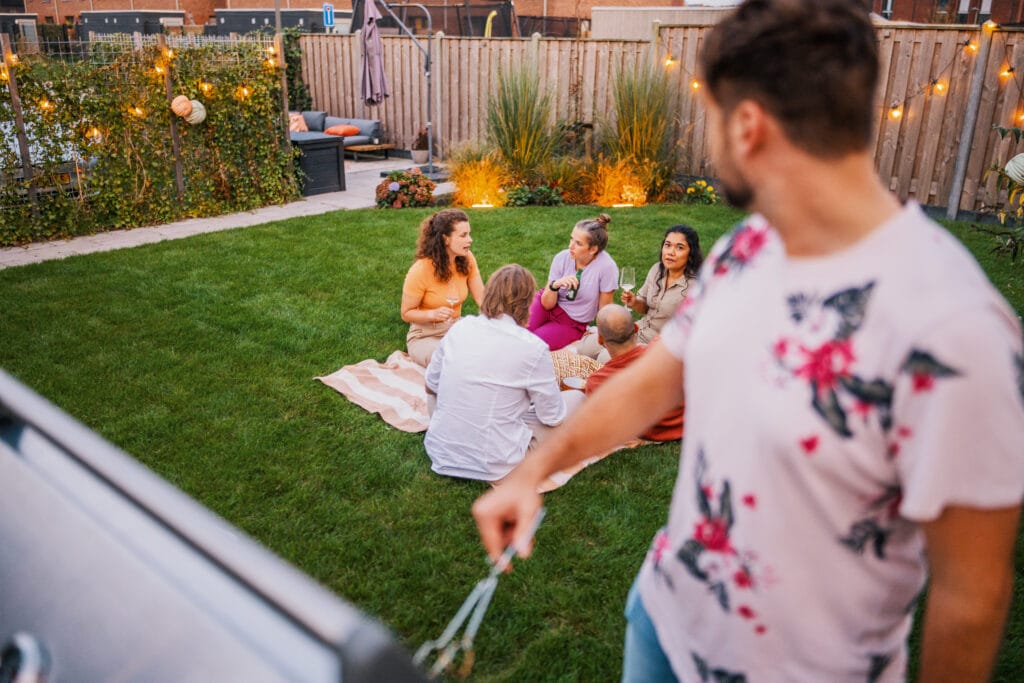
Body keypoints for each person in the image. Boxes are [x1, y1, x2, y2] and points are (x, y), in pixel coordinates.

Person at [471, 1, 1024, 681]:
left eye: (710, 114)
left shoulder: (955, 329)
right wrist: (532, 471)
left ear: (748, 125)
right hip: (662, 624)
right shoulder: (746, 248)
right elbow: (653, 379)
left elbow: (972, 596)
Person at [424, 264, 583, 482]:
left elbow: (430, 386)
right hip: (495, 464)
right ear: (527, 303)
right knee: (576, 398)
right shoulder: (533, 348)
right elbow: (552, 417)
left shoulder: (460, 327)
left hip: (439, 451)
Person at [579, 224, 703, 361]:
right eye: (667, 245)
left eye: (679, 247)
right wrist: (634, 302)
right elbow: (644, 307)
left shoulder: (695, 286)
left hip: (659, 345)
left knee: (605, 358)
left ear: (691, 253)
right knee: (585, 348)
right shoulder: (657, 269)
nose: (670, 252)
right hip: (637, 330)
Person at [584, 304, 683, 442]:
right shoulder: (666, 349)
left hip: (651, 433)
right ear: (636, 329)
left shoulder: (597, 382)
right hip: (682, 423)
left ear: (600, 339)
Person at [401, 209, 485, 366]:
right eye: (463, 235)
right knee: (451, 360)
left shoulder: (467, 258)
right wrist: (432, 314)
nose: (470, 240)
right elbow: (406, 313)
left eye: (469, 234)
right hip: (425, 335)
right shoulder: (421, 270)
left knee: (486, 351)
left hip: (456, 329)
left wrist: (499, 321)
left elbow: (482, 298)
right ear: (445, 239)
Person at [528, 214, 619, 350]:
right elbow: (546, 304)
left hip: (571, 322)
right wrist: (555, 285)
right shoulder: (562, 258)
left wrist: (602, 334)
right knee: (516, 332)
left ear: (593, 249)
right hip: (546, 305)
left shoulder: (606, 267)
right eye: (571, 239)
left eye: (578, 243)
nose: (570, 246)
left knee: (532, 345)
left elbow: (604, 308)